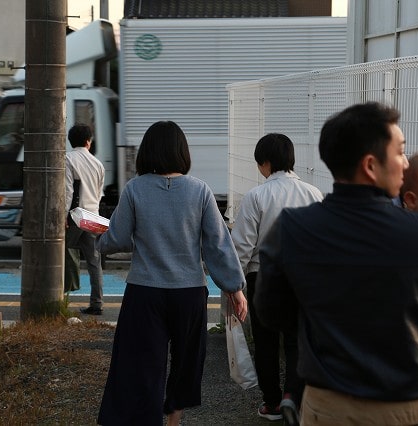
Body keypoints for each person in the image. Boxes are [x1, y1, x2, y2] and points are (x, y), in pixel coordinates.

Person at [255, 102, 418, 425]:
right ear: (371, 165)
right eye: (400, 152)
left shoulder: (291, 229)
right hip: (410, 411)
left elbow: (272, 312)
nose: (406, 163)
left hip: (328, 408)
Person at [95, 120, 248, 426]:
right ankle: (174, 420)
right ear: (182, 152)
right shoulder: (200, 191)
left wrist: (99, 237)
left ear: (147, 152)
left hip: (145, 292)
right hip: (189, 292)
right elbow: (217, 244)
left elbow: (119, 239)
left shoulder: (134, 189)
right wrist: (235, 287)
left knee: (142, 364)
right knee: (186, 362)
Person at [231, 133, 323, 425]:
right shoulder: (314, 194)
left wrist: (235, 285)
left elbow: (242, 246)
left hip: (264, 279)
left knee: (266, 341)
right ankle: (292, 398)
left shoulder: (256, 196)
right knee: (298, 341)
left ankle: (271, 402)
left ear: (266, 163)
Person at [64, 123, 105, 315]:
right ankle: (97, 303)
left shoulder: (68, 159)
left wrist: (63, 215)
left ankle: (61, 296)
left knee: (61, 251)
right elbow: (99, 193)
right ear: (88, 142)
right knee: (94, 261)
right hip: (92, 216)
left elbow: (67, 191)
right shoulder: (98, 164)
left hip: (74, 216)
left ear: (71, 141)